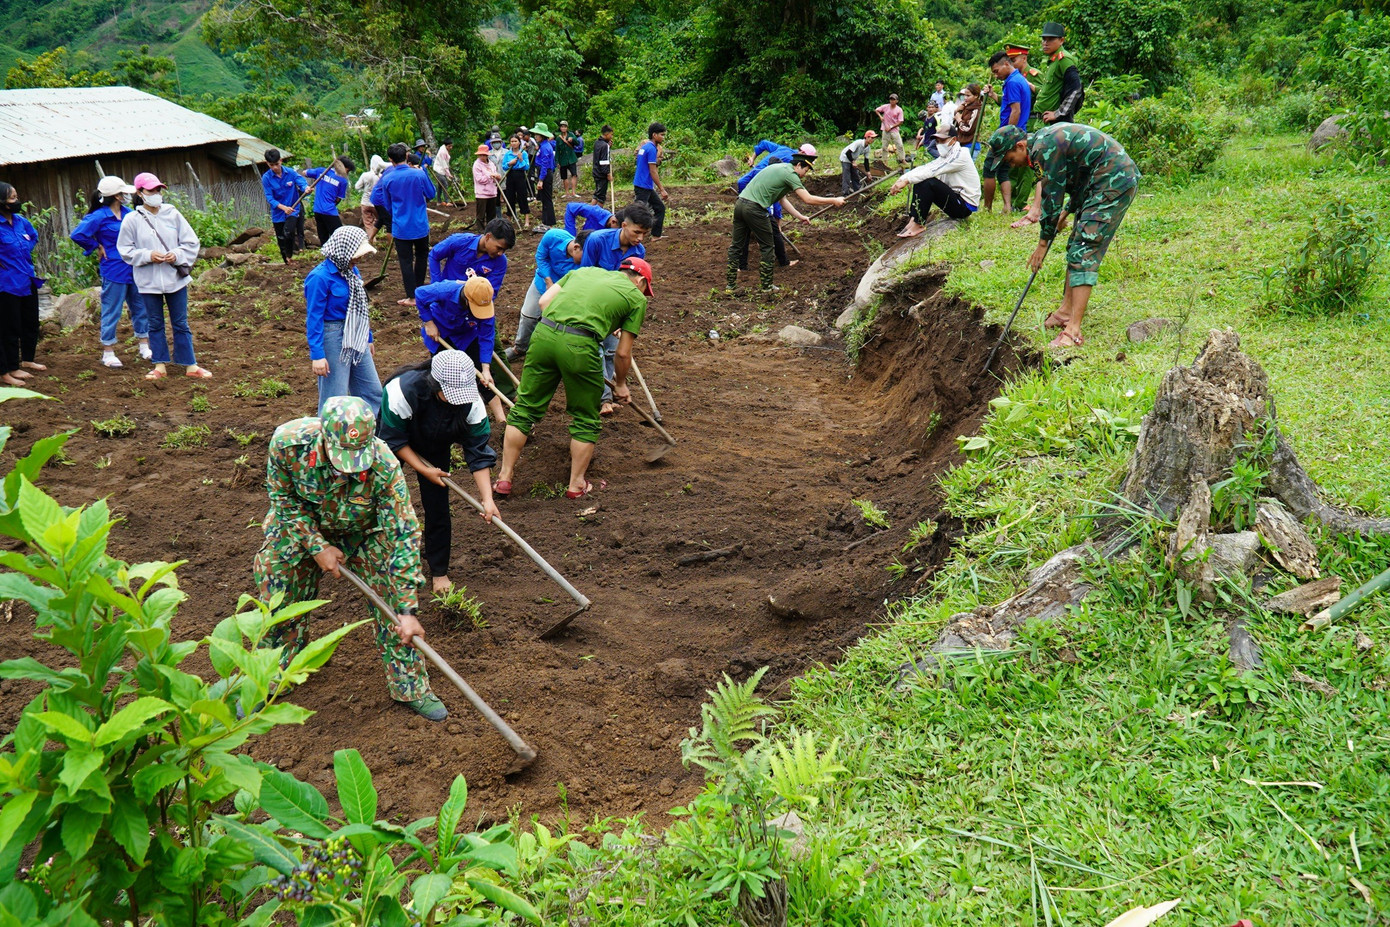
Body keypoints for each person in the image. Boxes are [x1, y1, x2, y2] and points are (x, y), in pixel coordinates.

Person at [254, 396, 445, 722]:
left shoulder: (384, 465)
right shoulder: (288, 443)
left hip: (363, 533)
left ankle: (409, 685)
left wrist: (408, 609)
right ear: (324, 437)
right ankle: (272, 676)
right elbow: (282, 498)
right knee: (277, 585)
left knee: (393, 601)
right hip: (301, 528)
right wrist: (316, 546)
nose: (352, 467)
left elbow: (404, 535)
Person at [493, 259, 653, 500]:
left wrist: (573, 324)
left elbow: (544, 302)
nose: (644, 294)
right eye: (645, 289)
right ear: (640, 281)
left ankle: (504, 478)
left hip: (544, 335)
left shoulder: (583, 272)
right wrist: (620, 384)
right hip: (580, 347)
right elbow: (622, 353)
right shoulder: (636, 298)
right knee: (586, 418)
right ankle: (576, 484)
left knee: (525, 409)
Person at [986, 124, 1140, 349]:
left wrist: (1042, 243)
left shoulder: (1044, 149)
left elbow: (1051, 197)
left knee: (1084, 249)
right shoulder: (1037, 152)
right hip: (1095, 183)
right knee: (1075, 245)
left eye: (1009, 159)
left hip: (1113, 180)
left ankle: (1073, 332)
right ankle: (1065, 312)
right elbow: (1071, 181)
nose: (1011, 164)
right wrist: (1066, 212)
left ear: (1020, 146)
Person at [379, 351, 500, 592]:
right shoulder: (401, 390)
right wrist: (423, 469)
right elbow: (393, 439)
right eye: (450, 395)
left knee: (438, 506)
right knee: (382, 495)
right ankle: (378, 558)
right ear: (435, 383)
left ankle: (439, 571)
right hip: (394, 442)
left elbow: (477, 452)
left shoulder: (471, 402)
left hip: (436, 445)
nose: (457, 401)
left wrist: (487, 500)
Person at [117, 173, 209, 381]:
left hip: (175, 278)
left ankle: (190, 365)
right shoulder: (132, 220)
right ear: (140, 193)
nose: (156, 194)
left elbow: (191, 242)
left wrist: (175, 255)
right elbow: (125, 250)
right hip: (148, 281)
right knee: (155, 323)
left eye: (158, 190)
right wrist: (147, 255)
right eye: (151, 191)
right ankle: (160, 365)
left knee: (181, 322)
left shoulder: (172, 213)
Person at [724, 146, 843, 293]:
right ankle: (767, 287)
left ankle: (730, 286)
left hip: (740, 204)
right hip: (755, 209)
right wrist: (833, 200)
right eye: (805, 171)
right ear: (799, 165)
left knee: (736, 246)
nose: (804, 175)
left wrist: (800, 217)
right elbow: (808, 199)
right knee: (767, 246)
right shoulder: (791, 174)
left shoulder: (780, 168)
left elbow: (782, 200)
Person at [579, 203, 652, 414]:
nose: (640, 238)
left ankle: (606, 398)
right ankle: (602, 398)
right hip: (593, 306)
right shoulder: (596, 240)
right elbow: (584, 276)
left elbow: (633, 288)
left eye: (644, 234)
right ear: (623, 225)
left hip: (616, 310)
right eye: (636, 232)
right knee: (597, 352)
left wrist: (622, 319)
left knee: (611, 352)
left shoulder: (639, 251)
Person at [71, 175, 150, 369]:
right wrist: (95, 245)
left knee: (140, 306)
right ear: (116, 195)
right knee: (112, 309)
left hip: (133, 266)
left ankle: (144, 344)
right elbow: (77, 234)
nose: (126, 195)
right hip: (113, 268)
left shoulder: (129, 213)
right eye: (123, 193)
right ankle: (108, 350)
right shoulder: (98, 216)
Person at [305, 226, 382, 413]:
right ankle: (331, 438)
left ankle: (370, 435)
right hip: (333, 336)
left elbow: (360, 307)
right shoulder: (319, 278)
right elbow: (314, 318)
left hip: (356, 334)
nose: (359, 258)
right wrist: (317, 355)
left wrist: (368, 337)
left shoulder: (352, 272)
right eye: (356, 254)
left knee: (372, 392)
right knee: (335, 396)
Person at [412, 276, 506, 423]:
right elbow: (420, 294)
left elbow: (486, 336)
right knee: (444, 376)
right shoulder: (446, 290)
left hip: (467, 335)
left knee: (484, 378)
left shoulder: (485, 301)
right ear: (467, 299)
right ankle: (446, 417)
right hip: (442, 333)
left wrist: (485, 368)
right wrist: (429, 322)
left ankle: (502, 421)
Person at [505, 227, 589, 363]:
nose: (588, 259)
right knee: (529, 315)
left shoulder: (587, 261)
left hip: (567, 290)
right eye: (586, 255)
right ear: (576, 247)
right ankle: (520, 348)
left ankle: (557, 356)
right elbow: (541, 256)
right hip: (543, 282)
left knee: (562, 323)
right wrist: (548, 280)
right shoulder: (553, 236)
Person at [889, 124, 980, 237]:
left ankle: (918, 224)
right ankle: (913, 220)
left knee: (928, 182)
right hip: (955, 198)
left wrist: (906, 181)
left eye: (942, 140)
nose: (939, 144)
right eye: (937, 141)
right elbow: (925, 167)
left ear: (954, 140)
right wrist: (902, 179)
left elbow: (932, 170)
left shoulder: (961, 155)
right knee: (922, 180)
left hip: (964, 206)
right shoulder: (947, 155)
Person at [375, 142, 437, 306]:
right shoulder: (419, 174)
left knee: (405, 261)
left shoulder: (387, 178)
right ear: (407, 156)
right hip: (420, 225)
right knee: (422, 257)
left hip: (401, 227)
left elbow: (387, 205)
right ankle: (419, 291)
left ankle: (411, 296)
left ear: (390, 159)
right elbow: (431, 193)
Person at [0, 182, 43, 386]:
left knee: (30, 322)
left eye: (16, 197)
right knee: (10, 327)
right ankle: (10, 368)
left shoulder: (21, 221)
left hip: (27, 278)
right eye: (11, 198)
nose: (16, 201)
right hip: (7, 284)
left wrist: (21, 251)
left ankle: (27, 359)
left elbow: (32, 237)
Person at [984, 52, 1033, 213]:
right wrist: (992, 95)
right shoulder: (1019, 79)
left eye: (996, 71)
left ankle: (987, 208)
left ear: (1006, 64)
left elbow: (1015, 111)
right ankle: (1006, 206)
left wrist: (1007, 137)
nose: (996, 75)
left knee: (989, 169)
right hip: (1019, 131)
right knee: (1003, 171)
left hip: (1010, 136)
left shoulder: (1012, 82)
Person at [428, 219, 513, 291]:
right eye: (499, 248)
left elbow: (491, 291)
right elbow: (434, 255)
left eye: (504, 250)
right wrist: (436, 286)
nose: (500, 253)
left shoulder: (500, 262)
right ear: (488, 237)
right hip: (444, 300)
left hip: (470, 306)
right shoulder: (460, 241)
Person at [262, 148, 307, 262]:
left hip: (293, 209)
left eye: (276, 164)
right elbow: (269, 198)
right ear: (267, 164)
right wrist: (283, 207)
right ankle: (286, 260)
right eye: (271, 165)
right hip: (278, 212)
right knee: (281, 238)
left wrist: (306, 188)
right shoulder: (266, 178)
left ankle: (290, 255)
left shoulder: (290, 173)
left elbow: (300, 181)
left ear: (281, 161)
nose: (275, 168)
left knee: (289, 232)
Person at [1035, 23, 1084, 126]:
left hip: (1056, 124)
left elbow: (1076, 89)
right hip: (1044, 122)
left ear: (1061, 40)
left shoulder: (1064, 59)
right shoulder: (1053, 60)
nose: (1045, 43)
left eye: (1051, 39)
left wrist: (1058, 113)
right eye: (1044, 39)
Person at [305, 157, 354, 244]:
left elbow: (305, 172)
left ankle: (327, 255)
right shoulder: (342, 181)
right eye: (347, 170)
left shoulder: (321, 171)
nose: (347, 173)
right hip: (330, 211)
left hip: (317, 210)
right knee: (339, 236)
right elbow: (338, 199)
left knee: (323, 237)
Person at [633, 122, 668, 239]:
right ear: (654, 135)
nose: (663, 138)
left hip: (643, 184)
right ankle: (626, 234)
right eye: (662, 135)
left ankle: (656, 236)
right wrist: (662, 189)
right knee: (637, 214)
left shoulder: (644, 147)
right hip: (644, 185)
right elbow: (653, 171)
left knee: (659, 208)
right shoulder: (652, 149)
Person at [501, 136, 531, 232]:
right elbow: (504, 166)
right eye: (512, 141)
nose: (513, 143)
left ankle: (526, 219)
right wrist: (510, 163)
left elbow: (526, 167)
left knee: (522, 196)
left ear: (519, 143)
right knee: (510, 197)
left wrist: (521, 159)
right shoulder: (507, 154)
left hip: (520, 176)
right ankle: (510, 218)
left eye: (515, 141)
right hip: (510, 176)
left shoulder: (524, 153)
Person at [531, 122, 557, 229]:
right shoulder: (543, 146)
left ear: (542, 136)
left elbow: (545, 165)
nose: (535, 136)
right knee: (544, 199)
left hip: (545, 173)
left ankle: (549, 223)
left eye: (537, 135)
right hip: (542, 172)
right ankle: (545, 222)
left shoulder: (546, 147)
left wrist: (541, 180)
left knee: (547, 199)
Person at [356, 156, 386, 239]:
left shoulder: (365, 175)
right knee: (379, 220)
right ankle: (381, 237)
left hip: (365, 202)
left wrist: (365, 187)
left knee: (368, 223)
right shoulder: (381, 177)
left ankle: (372, 240)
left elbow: (357, 187)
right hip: (377, 203)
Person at [472, 144, 503, 226]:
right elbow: (479, 179)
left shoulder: (491, 164)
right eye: (480, 155)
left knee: (491, 214)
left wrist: (497, 176)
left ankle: (491, 229)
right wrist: (490, 176)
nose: (482, 157)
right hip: (482, 194)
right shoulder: (476, 165)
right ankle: (480, 231)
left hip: (492, 192)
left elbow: (495, 174)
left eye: (484, 155)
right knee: (481, 215)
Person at [839, 131, 876, 195]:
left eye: (873, 138)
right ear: (867, 137)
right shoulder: (858, 143)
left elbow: (866, 160)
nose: (873, 140)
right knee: (847, 176)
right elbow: (848, 153)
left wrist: (868, 172)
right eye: (872, 138)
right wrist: (853, 162)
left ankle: (857, 191)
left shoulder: (868, 148)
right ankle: (845, 194)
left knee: (855, 175)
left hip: (852, 159)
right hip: (845, 158)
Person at [875, 93, 907, 167]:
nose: (892, 101)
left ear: (897, 101)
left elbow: (900, 121)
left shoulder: (899, 110)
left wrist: (891, 127)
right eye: (891, 99)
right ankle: (885, 161)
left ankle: (902, 159)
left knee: (900, 145)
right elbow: (877, 110)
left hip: (894, 130)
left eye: (893, 99)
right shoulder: (885, 106)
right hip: (885, 129)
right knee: (884, 147)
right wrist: (880, 116)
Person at [954, 84, 984, 149]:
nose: (965, 98)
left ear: (976, 96)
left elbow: (968, 129)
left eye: (968, 96)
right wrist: (957, 111)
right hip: (961, 144)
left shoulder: (976, 110)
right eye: (964, 95)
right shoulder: (965, 106)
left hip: (970, 145)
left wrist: (959, 120)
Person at [556, 121, 579, 199]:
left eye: (565, 126)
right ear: (560, 128)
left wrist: (572, 139)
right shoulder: (558, 138)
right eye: (562, 126)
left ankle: (573, 192)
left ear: (567, 127)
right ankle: (566, 193)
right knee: (564, 177)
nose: (563, 128)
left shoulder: (571, 135)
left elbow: (578, 143)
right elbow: (557, 151)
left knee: (574, 174)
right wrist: (557, 161)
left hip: (571, 158)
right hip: (563, 159)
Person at [591, 125, 613, 205]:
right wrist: (608, 174)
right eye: (611, 134)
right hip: (601, 174)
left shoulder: (597, 143)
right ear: (607, 134)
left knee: (598, 194)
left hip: (596, 172)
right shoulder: (604, 145)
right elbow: (604, 161)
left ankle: (592, 212)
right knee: (600, 196)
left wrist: (608, 147)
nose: (612, 136)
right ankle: (595, 214)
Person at [433, 137, 456, 204]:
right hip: (439, 170)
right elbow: (444, 165)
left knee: (440, 186)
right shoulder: (442, 152)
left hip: (441, 170)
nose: (451, 147)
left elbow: (446, 164)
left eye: (451, 146)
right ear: (446, 145)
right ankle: (447, 201)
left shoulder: (445, 150)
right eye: (449, 146)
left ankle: (439, 201)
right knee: (445, 184)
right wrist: (449, 175)